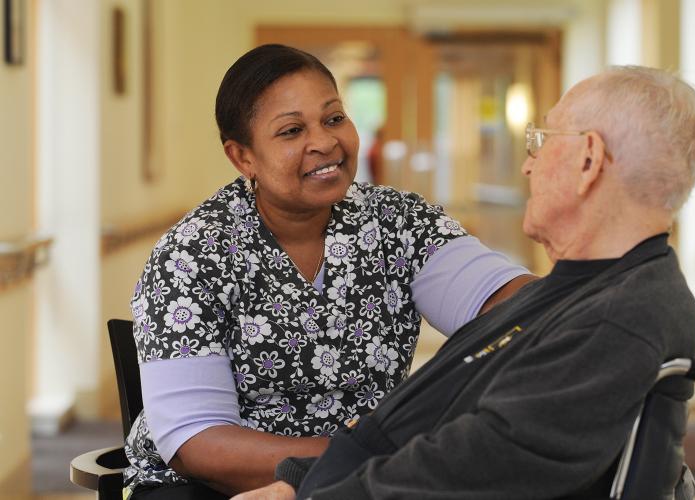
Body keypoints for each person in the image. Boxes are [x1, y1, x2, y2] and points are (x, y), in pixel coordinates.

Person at [233, 65, 695, 500]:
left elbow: (486, 461)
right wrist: (295, 482)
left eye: (540, 141)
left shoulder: (622, 315)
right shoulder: (572, 291)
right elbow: (426, 417)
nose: (527, 165)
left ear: (588, 161)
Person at [123, 44, 532, 499]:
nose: (324, 142)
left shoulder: (398, 223)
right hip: (208, 486)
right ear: (243, 157)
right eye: (292, 130)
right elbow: (198, 444)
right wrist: (361, 458)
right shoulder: (193, 255)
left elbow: (510, 304)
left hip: (362, 480)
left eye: (334, 118)